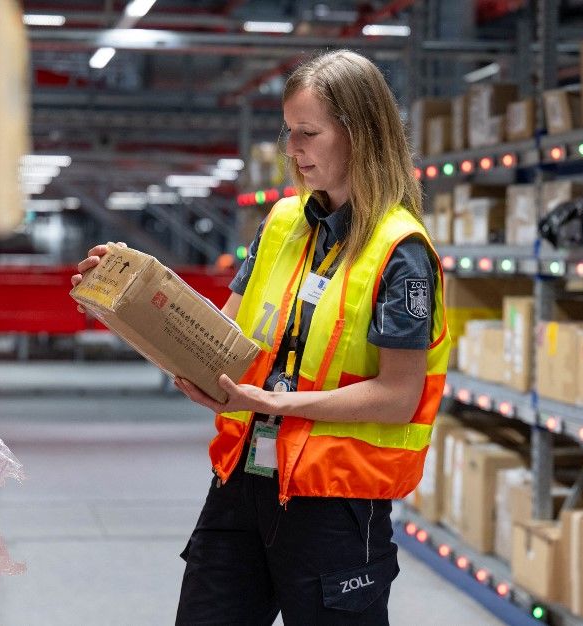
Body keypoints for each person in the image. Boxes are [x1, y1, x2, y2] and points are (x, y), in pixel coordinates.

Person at [72, 49, 449, 625]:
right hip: (243, 480)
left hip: (334, 501)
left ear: (360, 135)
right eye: (288, 131)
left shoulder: (402, 252)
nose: (292, 149)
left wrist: (275, 402)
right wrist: (137, 294)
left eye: (308, 133)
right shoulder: (282, 222)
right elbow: (222, 333)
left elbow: (399, 394)